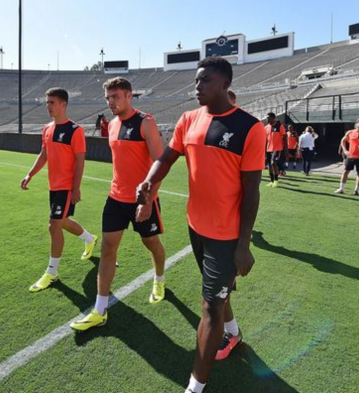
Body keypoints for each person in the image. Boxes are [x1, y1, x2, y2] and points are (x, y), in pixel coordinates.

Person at [136, 57, 265, 393]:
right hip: (196, 226)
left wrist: (243, 243)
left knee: (209, 308)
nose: (197, 87)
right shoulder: (188, 119)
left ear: (225, 84)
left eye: (204, 80)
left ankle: (195, 387)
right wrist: (149, 182)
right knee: (217, 296)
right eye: (196, 81)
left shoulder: (249, 128)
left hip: (226, 236)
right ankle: (234, 333)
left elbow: (252, 192)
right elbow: (166, 157)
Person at [70, 77, 167, 331]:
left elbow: (161, 164)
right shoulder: (112, 125)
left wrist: (148, 201)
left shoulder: (145, 122)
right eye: (107, 98)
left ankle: (159, 278)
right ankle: (100, 309)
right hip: (115, 197)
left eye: (115, 97)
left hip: (142, 199)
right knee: (108, 248)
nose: (110, 102)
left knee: (151, 243)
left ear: (129, 96)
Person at [21, 88, 98, 292]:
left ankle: (52, 272)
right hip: (53, 186)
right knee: (61, 221)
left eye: (52, 102)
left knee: (53, 224)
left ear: (63, 104)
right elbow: (43, 155)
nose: (48, 106)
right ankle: (90, 239)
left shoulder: (75, 130)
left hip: (66, 186)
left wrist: (76, 188)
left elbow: (80, 161)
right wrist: (30, 174)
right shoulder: (46, 128)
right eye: (47, 102)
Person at [335, 119, 359, 196]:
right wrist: (345, 150)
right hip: (351, 156)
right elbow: (343, 141)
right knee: (345, 171)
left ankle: (356, 190)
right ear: (356, 124)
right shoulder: (350, 132)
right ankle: (341, 188)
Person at [265, 112, 287, 187]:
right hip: (268, 149)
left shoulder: (279, 126)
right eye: (266, 118)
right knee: (269, 165)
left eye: (268, 118)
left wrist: (286, 149)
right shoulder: (266, 127)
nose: (267, 119)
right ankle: (271, 181)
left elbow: (285, 137)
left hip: (277, 148)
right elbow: (265, 139)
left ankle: (276, 181)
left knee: (273, 163)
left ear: (273, 118)